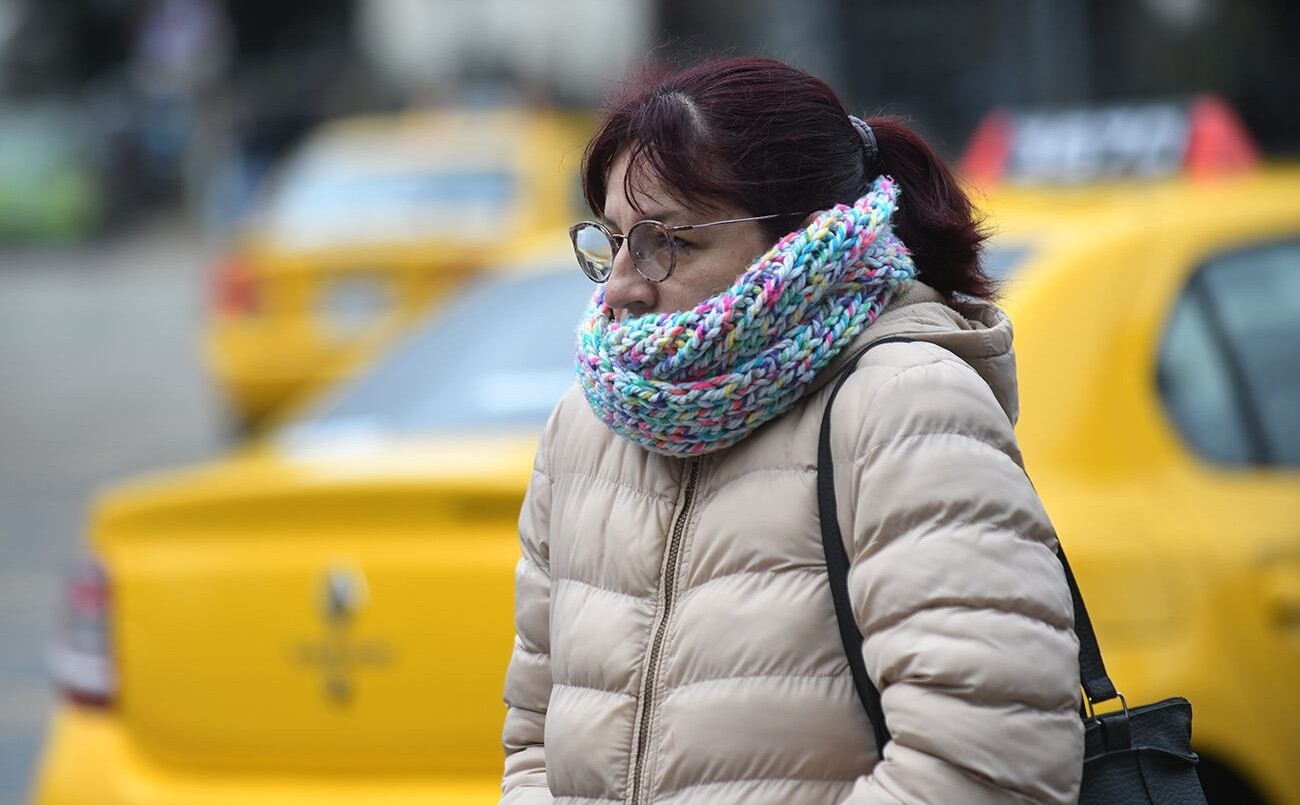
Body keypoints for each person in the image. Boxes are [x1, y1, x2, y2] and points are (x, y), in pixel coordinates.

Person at [501, 56, 1083, 805]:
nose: (621, 283)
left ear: (803, 244)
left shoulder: (905, 406)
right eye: (611, 239)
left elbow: (990, 762)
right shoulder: (586, 428)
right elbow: (532, 748)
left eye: (664, 242)